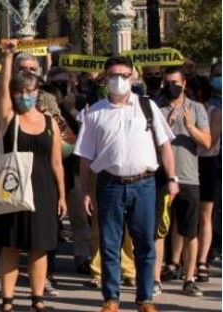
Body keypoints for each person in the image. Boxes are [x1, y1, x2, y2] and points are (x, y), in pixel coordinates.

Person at [74, 55, 178, 312]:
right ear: (105, 78)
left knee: (145, 243)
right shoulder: (94, 112)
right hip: (109, 184)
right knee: (110, 243)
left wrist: (173, 178)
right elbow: (86, 156)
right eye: (113, 75)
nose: (118, 80)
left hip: (144, 184)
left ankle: (145, 298)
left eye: (123, 75)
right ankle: (111, 298)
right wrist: (86, 189)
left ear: (133, 77)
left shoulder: (147, 107)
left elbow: (165, 145)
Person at [0, 42, 67, 312]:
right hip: (13, 187)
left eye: (30, 91)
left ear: (38, 92)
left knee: (40, 247)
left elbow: (57, 162)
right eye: (20, 91)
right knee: (10, 246)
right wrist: (8, 58)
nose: (25, 96)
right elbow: (1, 92)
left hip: (43, 189)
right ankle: (8, 301)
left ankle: (37, 299)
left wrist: (61, 195)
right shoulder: (9, 117)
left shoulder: (49, 122)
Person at [157, 66, 211, 297]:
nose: (172, 86)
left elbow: (207, 142)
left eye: (175, 82)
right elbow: (150, 142)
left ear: (184, 84)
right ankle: (155, 278)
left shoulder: (196, 108)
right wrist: (166, 127)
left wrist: (190, 127)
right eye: (168, 82)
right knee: (158, 231)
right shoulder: (157, 109)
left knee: (190, 231)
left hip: (189, 177)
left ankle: (189, 278)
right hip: (161, 177)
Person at [196, 62, 221, 284]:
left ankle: (202, 260)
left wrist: (191, 128)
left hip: (208, 164)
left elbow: (208, 143)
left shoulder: (215, 112)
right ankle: (180, 260)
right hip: (188, 165)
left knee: (205, 215)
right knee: (181, 218)